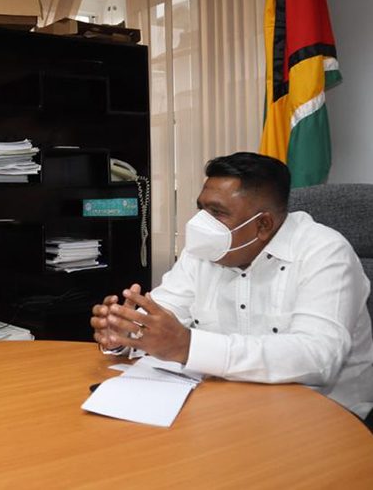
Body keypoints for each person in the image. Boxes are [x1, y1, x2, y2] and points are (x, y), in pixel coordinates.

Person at [91, 152, 373, 421]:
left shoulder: (325, 252)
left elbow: (317, 358)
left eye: (217, 212)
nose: (201, 223)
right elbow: (163, 320)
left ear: (263, 224)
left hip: (324, 414)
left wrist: (188, 346)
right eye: (201, 208)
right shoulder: (204, 249)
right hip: (227, 401)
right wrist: (126, 333)